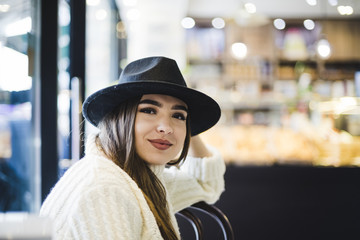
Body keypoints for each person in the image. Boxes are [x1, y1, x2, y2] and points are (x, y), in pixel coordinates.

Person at [40, 56, 225, 240]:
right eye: (149, 111)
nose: (166, 128)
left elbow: (205, 183)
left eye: (178, 116)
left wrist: (186, 126)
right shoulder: (104, 189)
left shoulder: (143, 179)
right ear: (118, 119)